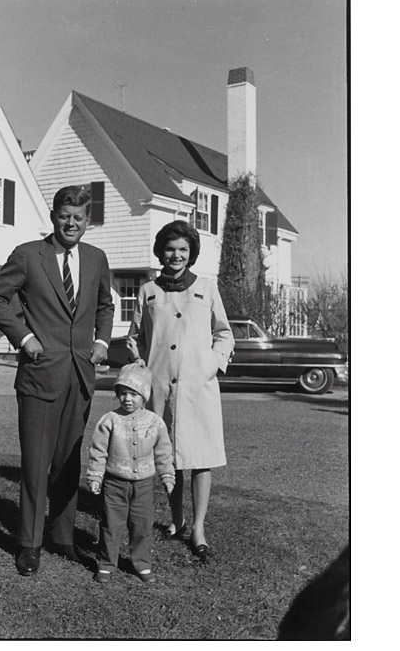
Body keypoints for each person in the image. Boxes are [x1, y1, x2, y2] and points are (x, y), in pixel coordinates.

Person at [0, 185, 115, 576]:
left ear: (87, 222)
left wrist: (103, 341)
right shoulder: (28, 255)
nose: (70, 223)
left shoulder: (96, 258)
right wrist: (24, 338)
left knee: (67, 463)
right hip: (40, 375)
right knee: (36, 463)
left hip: (80, 376)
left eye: (78, 218)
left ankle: (61, 536)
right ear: (53, 216)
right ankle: (29, 543)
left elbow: (106, 304)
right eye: (64, 216)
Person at [127, 220, 234, 564]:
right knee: (167, 457)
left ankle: (198, 529)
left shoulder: (206, 287)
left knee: (201, 459)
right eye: (171, 249)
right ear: (161, 251)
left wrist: (211, 365)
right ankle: (176, 521)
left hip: (197, 387)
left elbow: (224, 333)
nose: (176, 255)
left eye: (183, 250)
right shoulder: (148, 291)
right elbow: (137, 338)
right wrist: (141, 365)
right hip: (160, 386)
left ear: (191, 254)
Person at [86, 361, 175, 584]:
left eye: (133, 394)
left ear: (144, 396)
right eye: (123, 393)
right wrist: (96, 476)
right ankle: (107, 563)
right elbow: (98, 451)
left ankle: (142, 563)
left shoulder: (155, 423)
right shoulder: (110, 421)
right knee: (111, 525)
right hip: (114, 483)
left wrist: (167, 475)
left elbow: (164, 452)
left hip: (144, 486)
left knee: (142, 526)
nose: (127, 398)